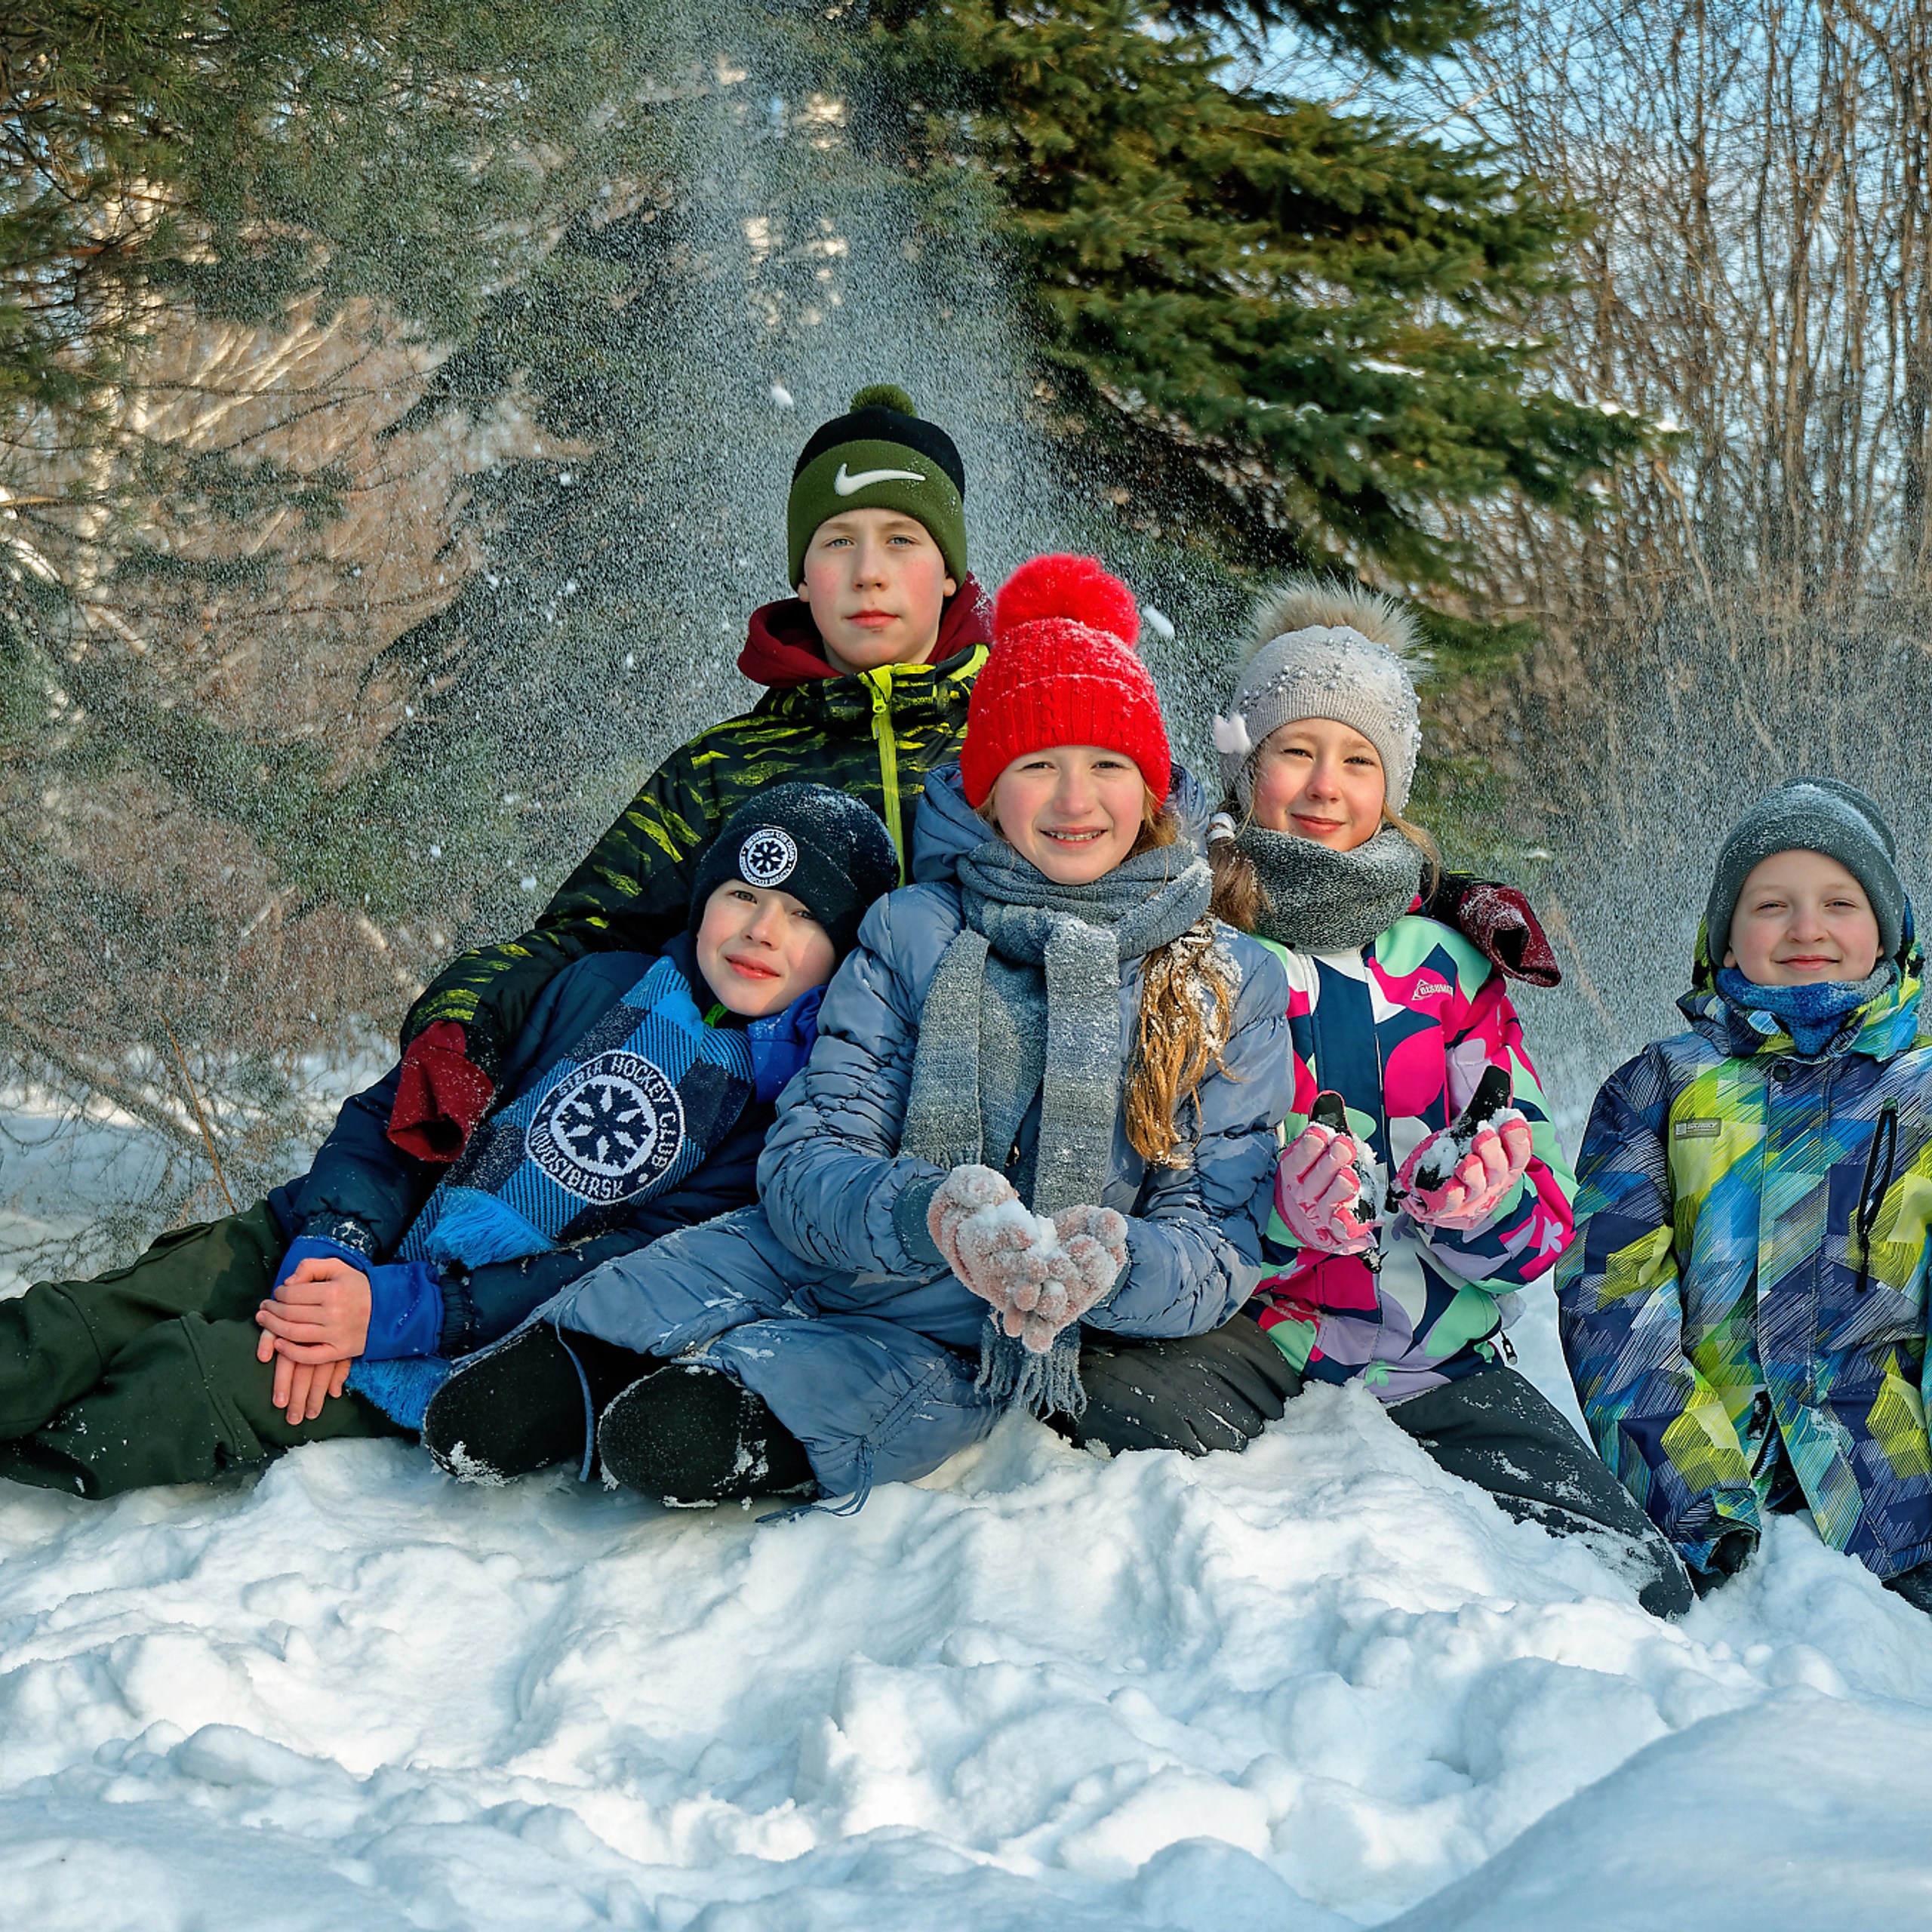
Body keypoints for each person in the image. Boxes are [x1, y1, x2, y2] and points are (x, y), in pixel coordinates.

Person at [421, 554, 1293, 1507]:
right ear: (988, 786)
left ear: (1153, 786)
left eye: (1106, 766)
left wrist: (1110, 1265)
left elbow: (1214, 1238)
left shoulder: (1223, 977)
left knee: (682, 1434)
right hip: (819, 1243)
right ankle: (591, 1367)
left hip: (971, 1327)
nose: (1074, 800)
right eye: (1036, 765)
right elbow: (808, 1157)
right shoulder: (912, 927)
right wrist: (931, 1211)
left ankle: (739, 1407)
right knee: (510, 1401)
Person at [1054, 579, 1694, 1617]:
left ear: (1392, 785)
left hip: (1435, 1347)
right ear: (1245, 768)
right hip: (1256, 1333)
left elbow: (1540, 1216)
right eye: (1295, 751)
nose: (1324, 785)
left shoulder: (1451, 965)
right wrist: (1274, 1215)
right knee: (1079, 1418)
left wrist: (1487, 1205)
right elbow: (1144, 1170)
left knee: (1639, 1585)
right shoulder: (1191, 948)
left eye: (1357, 760)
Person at [0, 786, 896, 1497]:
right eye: (740, 894)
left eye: (804, 915)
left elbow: (611, 1272)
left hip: (445, 1338)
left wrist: (394, 1312)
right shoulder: (589, 987)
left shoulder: (785, 1124)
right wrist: (336, 1243)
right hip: (317, 1236)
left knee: (188, 1383)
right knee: (78, 1322)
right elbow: (404, 1115)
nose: (760, 930)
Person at [387, 384, 992, 1166]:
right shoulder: (721, 767)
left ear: (950, 571)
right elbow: (584, 941)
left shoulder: (1017, 743)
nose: (868, 572)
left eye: (902, 540)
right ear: (802, 577)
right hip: (762, 1153)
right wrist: (462, 1022)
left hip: (986, 1141)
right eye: (837, 540)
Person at [1559, 779, 1932, 1613]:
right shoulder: (1658, 1089)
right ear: (1725, 940)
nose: (1806, 927)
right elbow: (1611, 1298)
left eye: (1840, 900)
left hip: (1897, 1503)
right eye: (1771, 904)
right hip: (1708, 1505)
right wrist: (1692, 1491)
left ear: (1889, 933)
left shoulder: (1922, 1097)